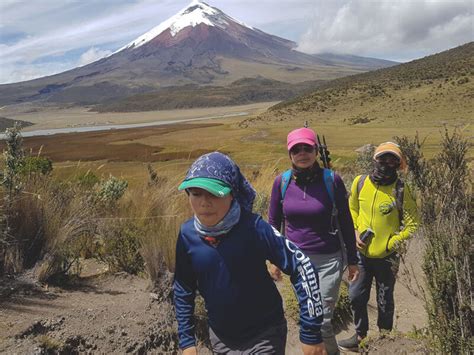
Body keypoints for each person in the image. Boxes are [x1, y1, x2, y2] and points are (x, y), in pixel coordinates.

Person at [173, 151, 328, 355]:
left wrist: (311, 333)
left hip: (264, 334)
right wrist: (187, 342)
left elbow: (302, 266)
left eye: (214, 193)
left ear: (232, 193)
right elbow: (183, 287)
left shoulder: (254, 227)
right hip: (221, 339)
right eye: (195, 193)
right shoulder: (187, 235)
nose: (203, 202)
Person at [268, 127, 359, 355]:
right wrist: (274, 259)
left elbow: (346, 221)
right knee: (311, 318)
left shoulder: (332, 180)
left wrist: (353, 259)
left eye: (306, 148)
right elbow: (273, 223)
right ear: (290, 154)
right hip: (297, 262)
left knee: (322, 319)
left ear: (315, 150)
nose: (302, 153)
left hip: (329, 259)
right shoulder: (282, 182)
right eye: (296, 149)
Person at [337, 142, 419, 352]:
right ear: (375, 159)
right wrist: (355, 232)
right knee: (356, 296)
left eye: (393, 160)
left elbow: (412, 224)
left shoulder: (401, 189)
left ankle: (385, 341)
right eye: (383, 158)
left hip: (387, 256)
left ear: (399, 164)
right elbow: (351, 209)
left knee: (385, 299)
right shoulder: (360, 182)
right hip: (361, 255)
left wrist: (392, 242)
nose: (387, 163)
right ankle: (360, 337)